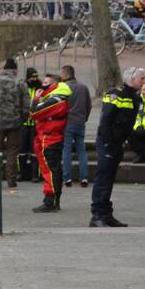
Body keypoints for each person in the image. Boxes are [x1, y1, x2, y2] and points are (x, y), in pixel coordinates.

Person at [90, 66, 145, 227]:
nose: (144, 81)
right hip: (108, 143)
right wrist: (108, 142)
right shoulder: (116, 94)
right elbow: (106, 119)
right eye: (142, 78)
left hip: (117, 143)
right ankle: (97, 216)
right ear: (132, 79)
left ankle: (106, 215)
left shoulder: (134, 96)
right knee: (103, 180)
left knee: (109, 180)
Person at [0, 58, 30, 191]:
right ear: (14, 69)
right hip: (15, 123)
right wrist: (22, 119)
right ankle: (11, 180)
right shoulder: (19, 83)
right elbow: (26, 105)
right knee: (12, 152)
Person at [30, 74, 72, 212]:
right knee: (50, 171)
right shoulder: (54, 98)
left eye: (46, 82)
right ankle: (51, 200)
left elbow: (34, 113)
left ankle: (51, 201)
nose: (43, 85)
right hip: (47, 138)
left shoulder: (56, 99)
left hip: (50, 139)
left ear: (54, 85)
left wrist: (35, 99)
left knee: (51, 172)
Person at [60, 65, 91, 187]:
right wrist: (84, 118)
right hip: (80, 123)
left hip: (67, 123)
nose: (60, 76)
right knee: (81, 151)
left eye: (62, 74)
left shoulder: (63, 87)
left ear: (66, 74)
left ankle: (67, 178)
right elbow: (88, 105)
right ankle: (84, 178)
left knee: (66, 150)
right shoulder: (83, 87)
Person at [19, 67, 43, 182]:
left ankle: (35, 175)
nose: (34, 79)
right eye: (32, 77)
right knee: (22, 150)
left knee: (35, 150)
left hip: (36, 123)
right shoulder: (23, 87)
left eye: (36, 77)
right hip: (24, 123)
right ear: (27, 78)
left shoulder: (41, 88)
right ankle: (21, 173)